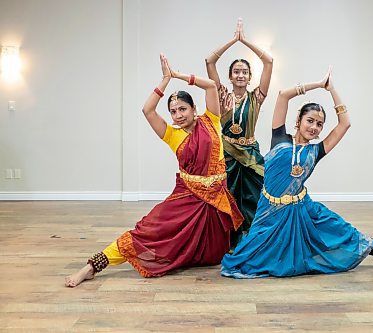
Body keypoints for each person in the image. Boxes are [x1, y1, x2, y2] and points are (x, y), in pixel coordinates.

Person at [221, 67, 373, 278]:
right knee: (244, 260)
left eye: (319, 124)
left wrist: (332, 90)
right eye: (310, 121)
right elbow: (283, 95)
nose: (315, 127)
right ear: (299, 120)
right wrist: (318, 84)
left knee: (344, 231)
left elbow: (345, 124)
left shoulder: (316, 151)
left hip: (301, 208)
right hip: (268, 211)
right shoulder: (279, 138)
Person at [65, 54, 243, 287]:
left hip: (216, 201)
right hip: (187, 197)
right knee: (147, 231)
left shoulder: (211, 120)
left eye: (183, 109)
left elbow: (210, 85)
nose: (178, 115)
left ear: (194, 108)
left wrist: (179, 75)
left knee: (212, 253)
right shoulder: (171, 134)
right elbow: (147, 110)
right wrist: (165, 80)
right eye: (173, 111)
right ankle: (92, 266)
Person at [205, 18, 273, 247]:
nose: (241, 75)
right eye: (236, 72)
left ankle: (254, 240)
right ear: (230, 76)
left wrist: (245, 41)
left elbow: (269, 62)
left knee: (255, 197)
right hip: (227, 155)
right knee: (229, 198)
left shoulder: (256, 98)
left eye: (245, 72)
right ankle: (229, 242)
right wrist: (233, 41)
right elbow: (209, 61)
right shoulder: (221, 94)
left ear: (250, 77)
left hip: (251, 154)